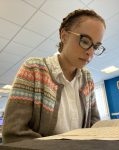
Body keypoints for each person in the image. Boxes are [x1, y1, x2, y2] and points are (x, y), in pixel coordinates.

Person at [2, 9, 106, 144]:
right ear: (64, 36)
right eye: (85, 41)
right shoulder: (34, 69)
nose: (90, 53)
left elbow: (94, 124)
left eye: (96, 46)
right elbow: (14, 134)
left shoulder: (87, 79)